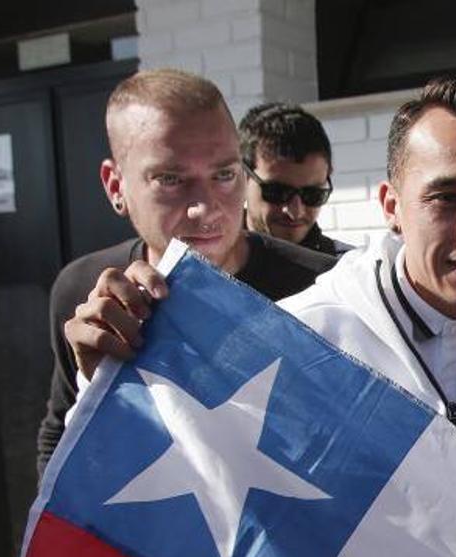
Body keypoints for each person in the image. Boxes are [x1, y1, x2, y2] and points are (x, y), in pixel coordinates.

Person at [65, 75, 456, 527]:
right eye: (446, 199)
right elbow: (176, 489)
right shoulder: (304, 333)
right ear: (391, 205)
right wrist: (108, 380)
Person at [36, 70, 336, 477]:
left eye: (225, 175)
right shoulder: (84, 292)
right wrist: (103, 390)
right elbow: (59, 443)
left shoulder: (321, 286)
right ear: (115, 187)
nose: (205, 208)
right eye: (171, 180)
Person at [238, 102, 352, 256]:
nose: (295, 212)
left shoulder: (350, 272)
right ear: (240, 179)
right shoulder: (201, 265)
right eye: (277, 192)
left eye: (313, 194)